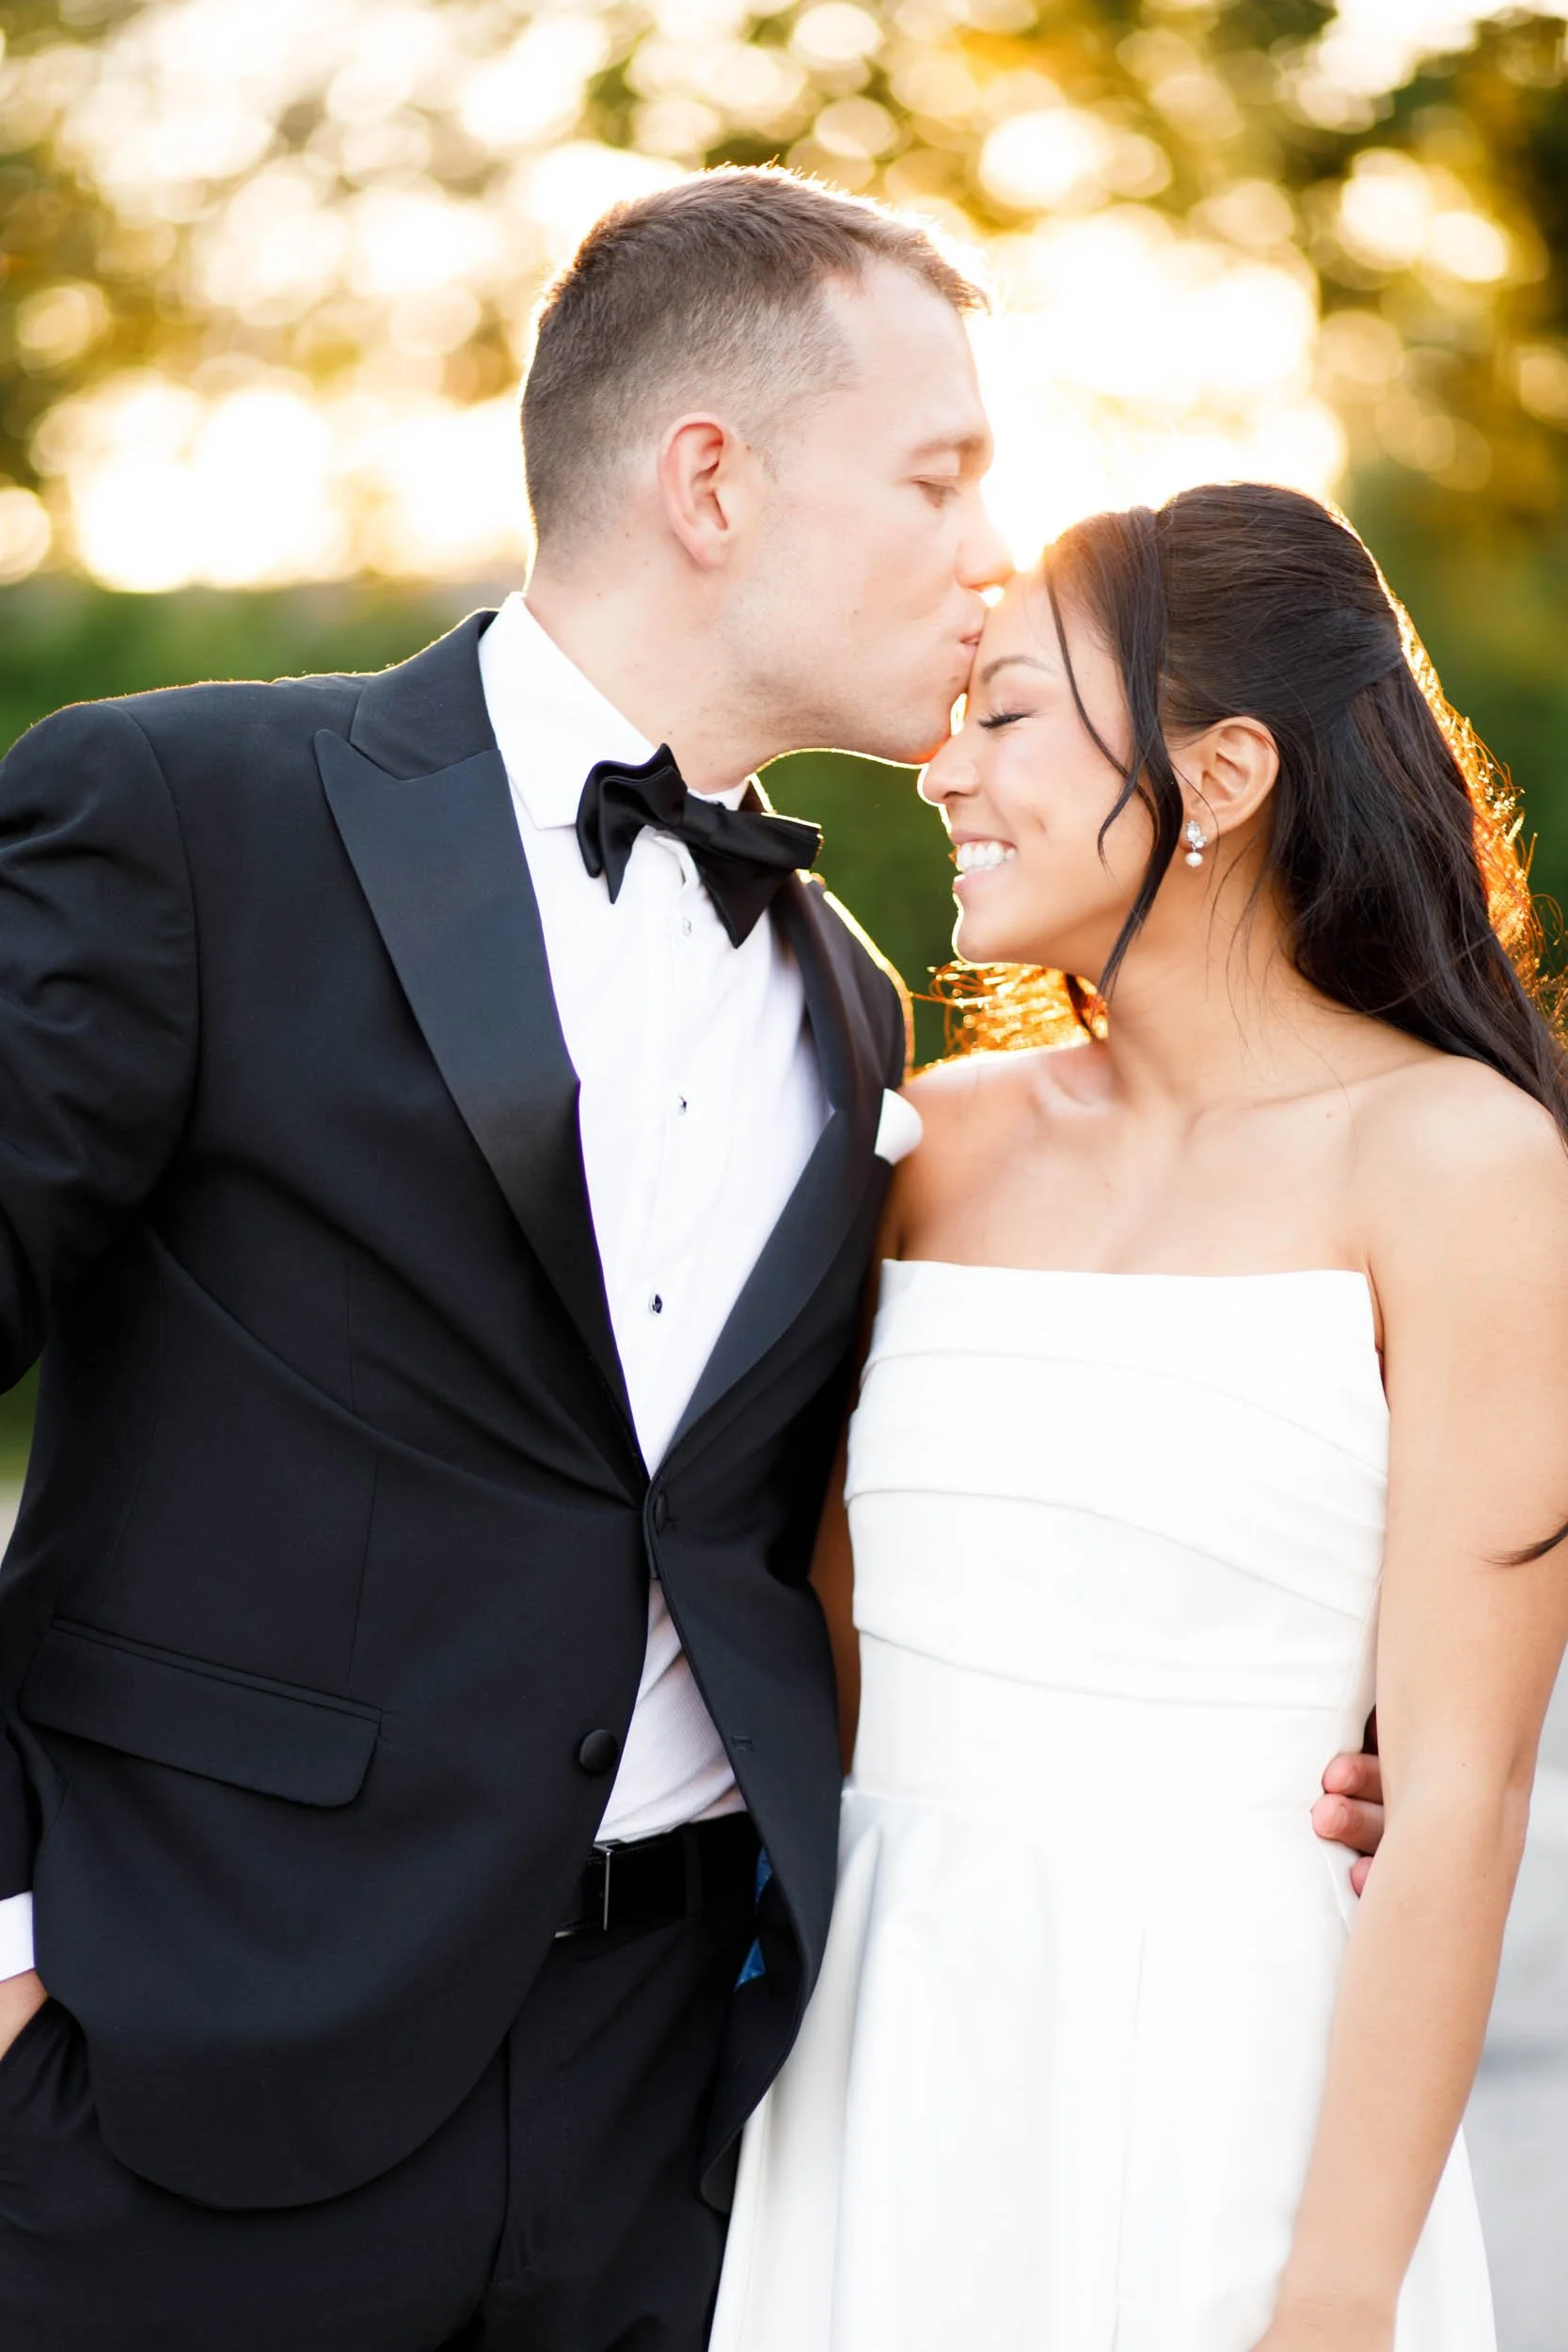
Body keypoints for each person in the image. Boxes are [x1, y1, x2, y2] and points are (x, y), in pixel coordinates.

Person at [0, 169, 1382, 2349]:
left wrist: (1274, 1719)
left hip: (681, 2109)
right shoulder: (189, 816)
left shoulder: (850, 996)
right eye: (937, 476)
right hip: (178, 2087)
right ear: (710, 479)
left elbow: (822, 1516)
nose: (985, 553)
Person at [711, 482, 1568, 2352]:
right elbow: (811, 1651)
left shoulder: (1458, 1166)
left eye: (1004, 712)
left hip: (1237, 2095)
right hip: (879, 2060)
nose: (941, 771)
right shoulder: (928, 1142)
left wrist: (1334, 2292)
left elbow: (1451, 1793)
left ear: (1228, 770)